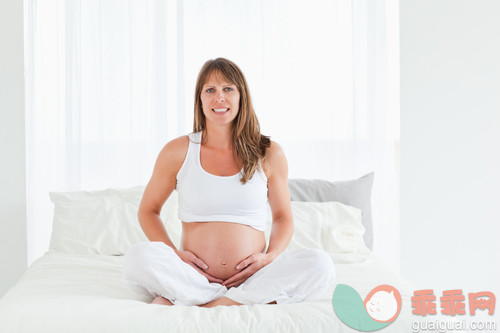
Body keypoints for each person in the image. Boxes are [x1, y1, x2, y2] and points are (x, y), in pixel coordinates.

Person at [122, 58, 335, 307]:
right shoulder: (178, 151)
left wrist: (270, 257)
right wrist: (176, 256)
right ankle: (235, 301)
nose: (219, 97)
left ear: (241, 96)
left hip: (254, 277)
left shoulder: (269, 153)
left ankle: (199, 303)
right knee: (138, 258)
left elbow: (282, 217)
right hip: (193, 277)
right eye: (210, 90)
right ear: (199, 100)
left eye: (228, 89)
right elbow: (149, 210)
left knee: (320, 264)